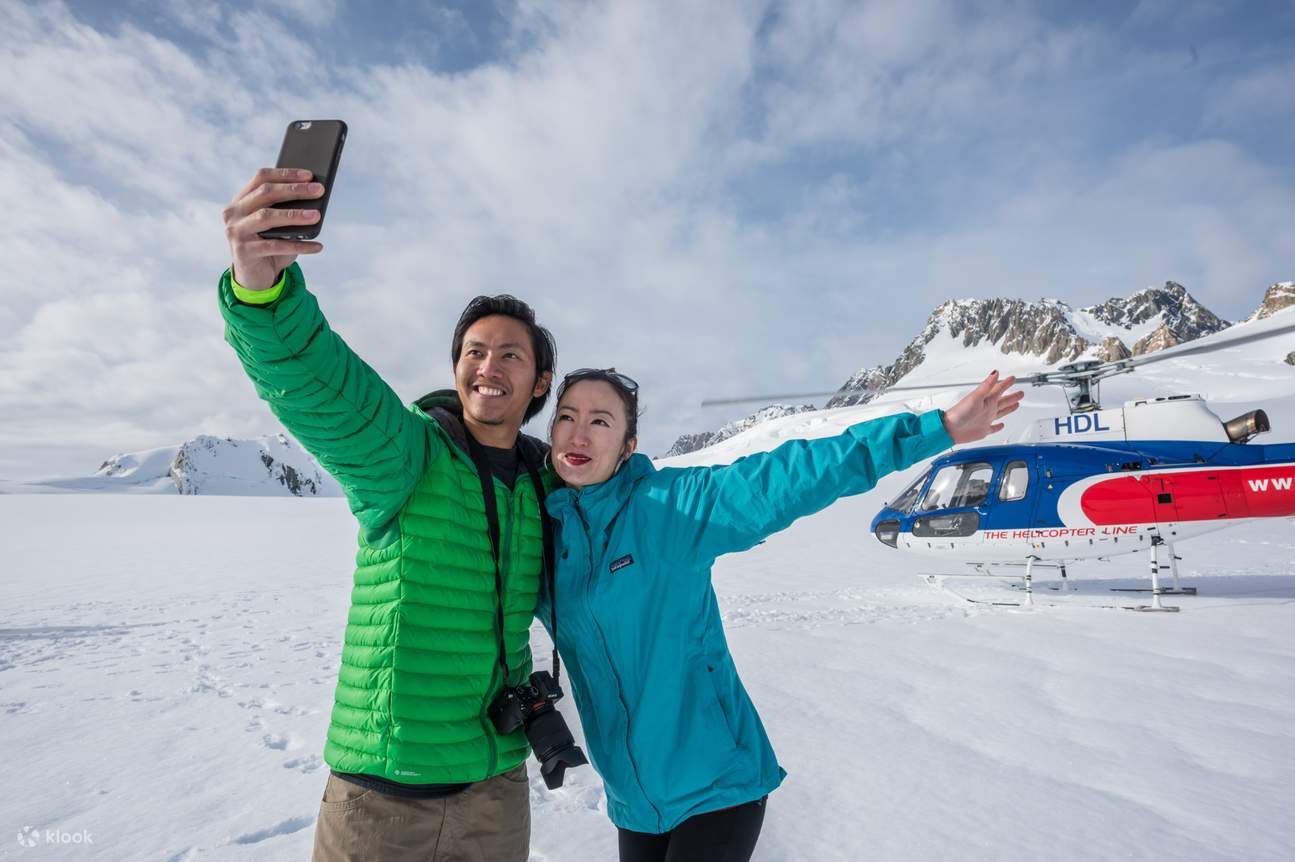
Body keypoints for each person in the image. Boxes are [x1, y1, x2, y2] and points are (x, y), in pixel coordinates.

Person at [538, 367, 1023, 862]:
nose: (579, 433)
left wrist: (935, 429)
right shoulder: (544, 544)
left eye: (600, 421)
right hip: (633, 802)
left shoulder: (669, 509)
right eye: (567, 417)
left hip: (717, 786)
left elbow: (789, 475)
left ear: (627, 445)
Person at [218, 167, 559, 861]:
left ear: (539, 384)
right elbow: (323, 386)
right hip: (383, 798)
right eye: (474, 350)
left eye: (509, 354)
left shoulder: (544, 486)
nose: (487, 364)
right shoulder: (407, 456)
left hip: (495, 789)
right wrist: (263, 293)